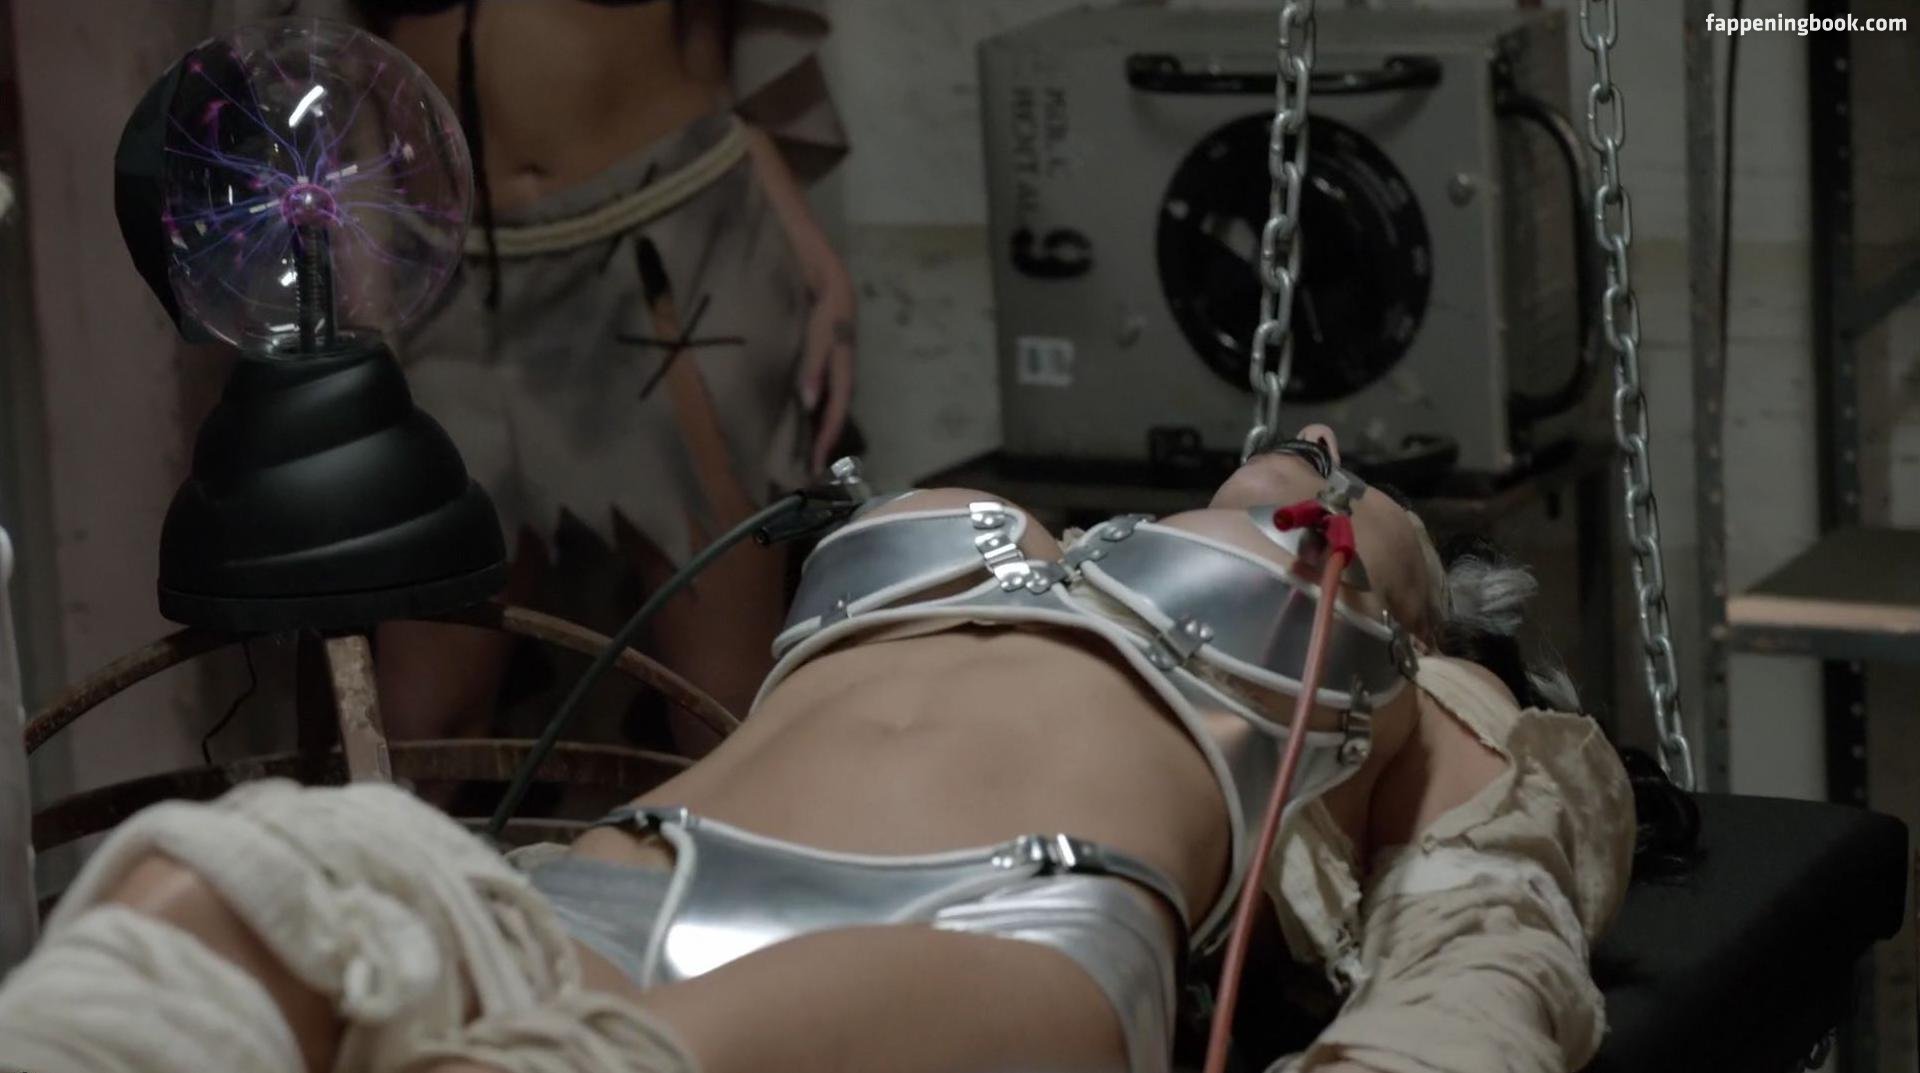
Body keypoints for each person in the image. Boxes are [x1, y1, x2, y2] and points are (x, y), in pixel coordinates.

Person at [0, 426, 1667, 1073]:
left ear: (1418, 608)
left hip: (982, 930)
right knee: (207, 889)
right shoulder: (997, 511)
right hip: (604, 874)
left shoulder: (1410, 703)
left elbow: (1484, 945)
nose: (1312, 450)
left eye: (1356, 484)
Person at [213, 0, 858, 733]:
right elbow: (345, 78)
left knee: (721, 703)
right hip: (449, 275)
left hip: (678, 249)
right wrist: (363, 320)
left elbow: (711, 57)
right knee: (418, 719)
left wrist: (813, 253)